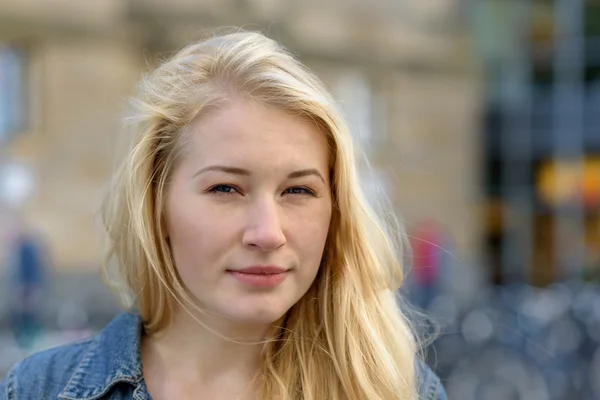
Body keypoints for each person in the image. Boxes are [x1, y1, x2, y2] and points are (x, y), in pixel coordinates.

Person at [0, 30, 446, 399]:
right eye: (226, 188)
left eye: (298, 189)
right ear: (156, 208)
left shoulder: (397, 389)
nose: (268, 234)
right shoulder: (41, 389)